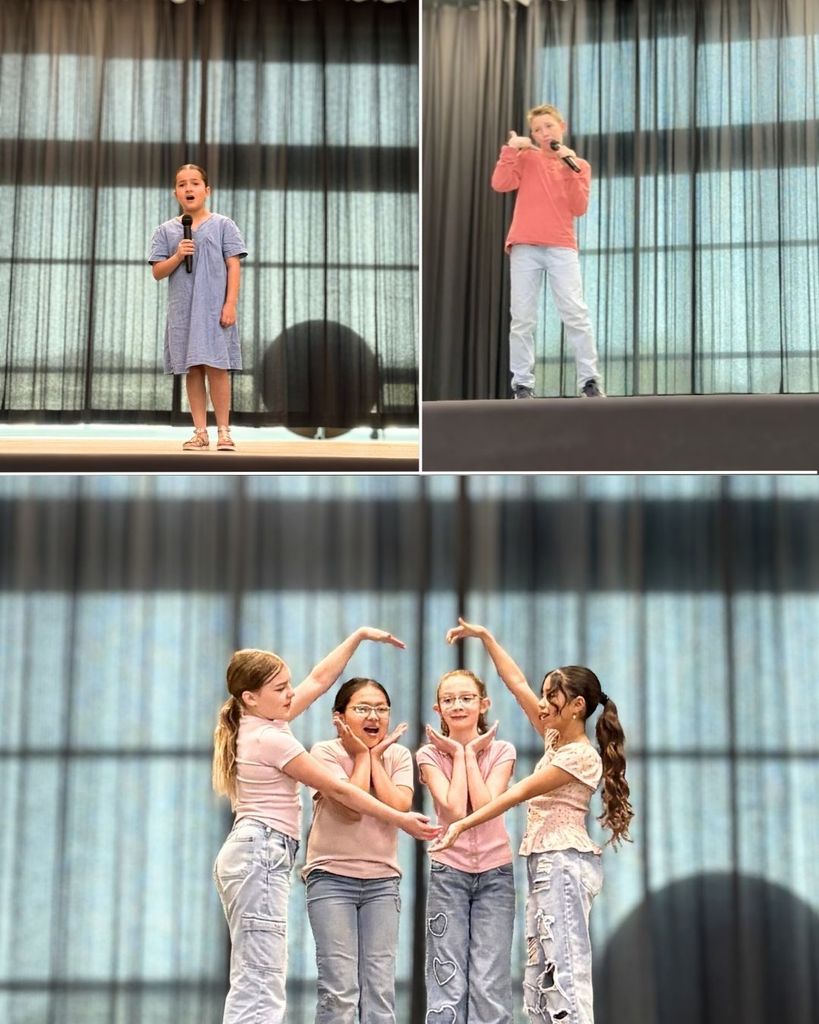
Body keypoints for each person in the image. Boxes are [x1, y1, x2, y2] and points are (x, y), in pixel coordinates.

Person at [211, 629, 439, 1024]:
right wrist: (401, 819)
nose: (290, 694)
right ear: (250, 697)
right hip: (260, 851)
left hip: (261, 851)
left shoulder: (267, 720)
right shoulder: (271, 738)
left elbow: (319, 680)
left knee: (261, 971)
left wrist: (358, 637)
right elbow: (340, 790)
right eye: (281, 688)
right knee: (261, 977)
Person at [432, 619, 633, 1024]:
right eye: (544, 697)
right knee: (540, 968)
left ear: (577, 705)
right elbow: (516, 684)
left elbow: (516, 793)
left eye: (551, 698)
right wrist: (487, 639)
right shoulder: (557, 741)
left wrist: (461, 825)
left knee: (565, 966)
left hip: (563, 861)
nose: (541, 705)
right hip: (545, 862)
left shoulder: (579, 755)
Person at [303, 677, 414, 1024]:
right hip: (331, 880)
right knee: (339, 991)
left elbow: (400, 805)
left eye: (382, 709)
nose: (375, 717)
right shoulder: (324, 752)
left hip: (382, 882)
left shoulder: (397, 754)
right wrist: (363, 756)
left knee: (380, 989)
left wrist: (374, 756)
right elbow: (351, 806)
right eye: (363, 709)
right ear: (339, 717)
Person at [416, 668, 517, 1024]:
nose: (457, 706)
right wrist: (460, 755)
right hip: (449, 872)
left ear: (483, 704)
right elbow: (455, 809)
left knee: (490, 979)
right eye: (449, 700)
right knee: (447, 976)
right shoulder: (428, 756)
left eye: (466, 698)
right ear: (437, 709)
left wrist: (471, 753)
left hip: (496, 874)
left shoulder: (503, 750)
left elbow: (487, 805)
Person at [491, 104, 604, 400]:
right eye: (537, 130)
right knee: (522, 319)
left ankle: (590, 381)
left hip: (561, 246)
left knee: (576, 313)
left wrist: (569, 168)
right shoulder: (526, 158)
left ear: (561, 127)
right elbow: (500, 183)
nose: (543, 133)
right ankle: (522, 384)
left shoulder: (578, 164)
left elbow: (578, 207)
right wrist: (510, 150)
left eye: (548, 127)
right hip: (525, 246)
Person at [149, 164, 247, 451]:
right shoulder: (165, 231)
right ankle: (200, 432)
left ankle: (224, 432)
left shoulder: (223, 225)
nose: (188, 189)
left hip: (214, 308)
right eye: (182, 184)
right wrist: (179, 254)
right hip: (183, 310)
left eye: (194, 183)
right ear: (175, 191)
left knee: (218, 367)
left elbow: (234, 265)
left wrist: (230, 304)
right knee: (193, 368)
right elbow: (157, 272)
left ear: (207, 190)